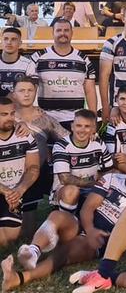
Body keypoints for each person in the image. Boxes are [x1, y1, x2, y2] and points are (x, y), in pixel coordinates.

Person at [0, 152, 126, 293]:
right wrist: (89, 228)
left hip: (99, 239)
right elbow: (87, 207)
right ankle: (33, 251)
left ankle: (19, 278)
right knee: (57, 215)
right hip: (84, 224)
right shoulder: (112, 178)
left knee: (64, 253)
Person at [12, 77, 68, 237]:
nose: (26, 94)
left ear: (36, 91)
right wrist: (17, 124)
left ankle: (60, 221)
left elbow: (66, 138)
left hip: (39, 171)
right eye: (21, 90)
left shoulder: (45, 118)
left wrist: (89, 133)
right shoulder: (6, 117)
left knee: (27, 233)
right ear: (14, 94)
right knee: (16, 234)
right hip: (12, 171)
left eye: (30, 90)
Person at [30, 19, 97, 129]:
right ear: (53, 33)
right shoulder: (38, 57)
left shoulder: (83, 59)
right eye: (59, 30)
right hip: (46, 117)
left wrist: (92, 118)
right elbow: (30, 88)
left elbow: (90, 91)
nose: (62, 33)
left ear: (72, 33)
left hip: (75, 119)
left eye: (66, 30)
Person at [50, 109, 112, 215]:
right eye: (79, 126)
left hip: (91, 189)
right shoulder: (61, 146)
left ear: (93, 129)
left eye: (87, 126)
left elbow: (108, 170)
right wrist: (96, 184)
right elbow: (65, 179)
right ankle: (66, 222)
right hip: (66, 190)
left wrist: (105, 185)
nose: (82, 130)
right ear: (72, 126)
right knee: (72, 191)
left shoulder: (98, 143)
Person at [0, 97, 39, 248]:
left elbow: (33, 168)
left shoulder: (24, 135)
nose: (9, 119)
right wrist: (6, 191)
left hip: (17, 192)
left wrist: (19, 190)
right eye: (3, 114)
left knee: (9, 240)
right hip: (4, 190)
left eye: (12, 114)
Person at [0, 27, 34, 98]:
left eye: (13, 39)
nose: (9, 42)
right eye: (6, 39)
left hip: (19, 106)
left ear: (20, 43)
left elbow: (31, 91)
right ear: (1, 41)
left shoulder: (28, 64)